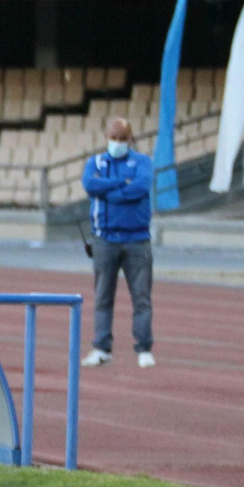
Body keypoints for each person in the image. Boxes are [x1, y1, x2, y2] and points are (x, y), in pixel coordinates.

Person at [81, 117, 155, 369]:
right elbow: (90, 184)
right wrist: (120, 183)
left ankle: (144, 348)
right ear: (106, 138)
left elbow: (141, 187)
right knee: (103, 296)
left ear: (131, 140)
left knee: (141, 297)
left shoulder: (143, 162)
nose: (118, 143)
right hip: (105, 239)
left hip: (137, 239)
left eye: (123, 138)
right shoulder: (95, 162)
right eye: (114, 138)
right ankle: (102, 348)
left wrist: (108, 192)